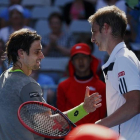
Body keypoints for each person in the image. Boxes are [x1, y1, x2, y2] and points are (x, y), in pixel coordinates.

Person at [0, 28, 102, 140]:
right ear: (21, 53)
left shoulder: (4, 76)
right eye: (36, 51)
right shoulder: (27, 84)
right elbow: (50, 126)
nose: (42, 56)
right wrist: (84, 108)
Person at [88, 5, 140, 140]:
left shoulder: (122, 59)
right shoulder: (122, 57)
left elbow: (135, 104)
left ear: (106, 28)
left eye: (94, 32)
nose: (92, 39)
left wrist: (100, 125)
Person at [57, 43, 106, 126]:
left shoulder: (101, 86)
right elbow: (61, 117)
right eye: (76, 58)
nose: (80, 61)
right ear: (72, 62)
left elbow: (103, 115)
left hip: (93, 134)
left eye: (84, 56)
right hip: (71, 136)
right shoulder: (63, 86)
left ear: (90, 59)